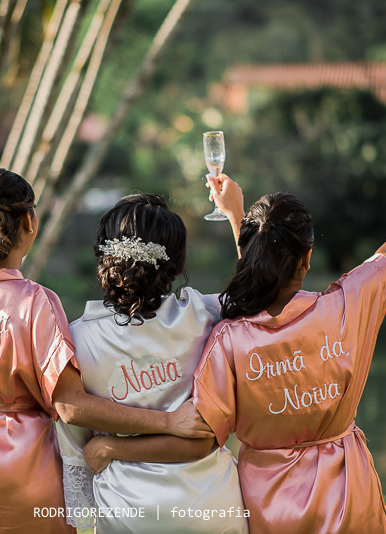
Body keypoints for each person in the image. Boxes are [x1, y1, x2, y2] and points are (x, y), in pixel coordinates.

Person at [0, 159, 211, 533]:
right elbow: (70, 405)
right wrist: (167, 422)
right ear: (29, 222)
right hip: (21, 462)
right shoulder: (34, 302)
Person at [191, 92, 386, 533]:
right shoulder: (348, 306)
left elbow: (205, 429)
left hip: (267, 508)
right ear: (308, 258)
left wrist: (236, 218)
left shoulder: (229, 340)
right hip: (348, 504)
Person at [56, 191, 249, 533]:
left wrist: (108, 450)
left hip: (128, 513)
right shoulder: (205, 315)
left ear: (104, 255)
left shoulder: (77, 340)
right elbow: (253, 293)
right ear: (176, 262)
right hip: (211, 508)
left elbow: (76, 442)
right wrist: (236, 215)